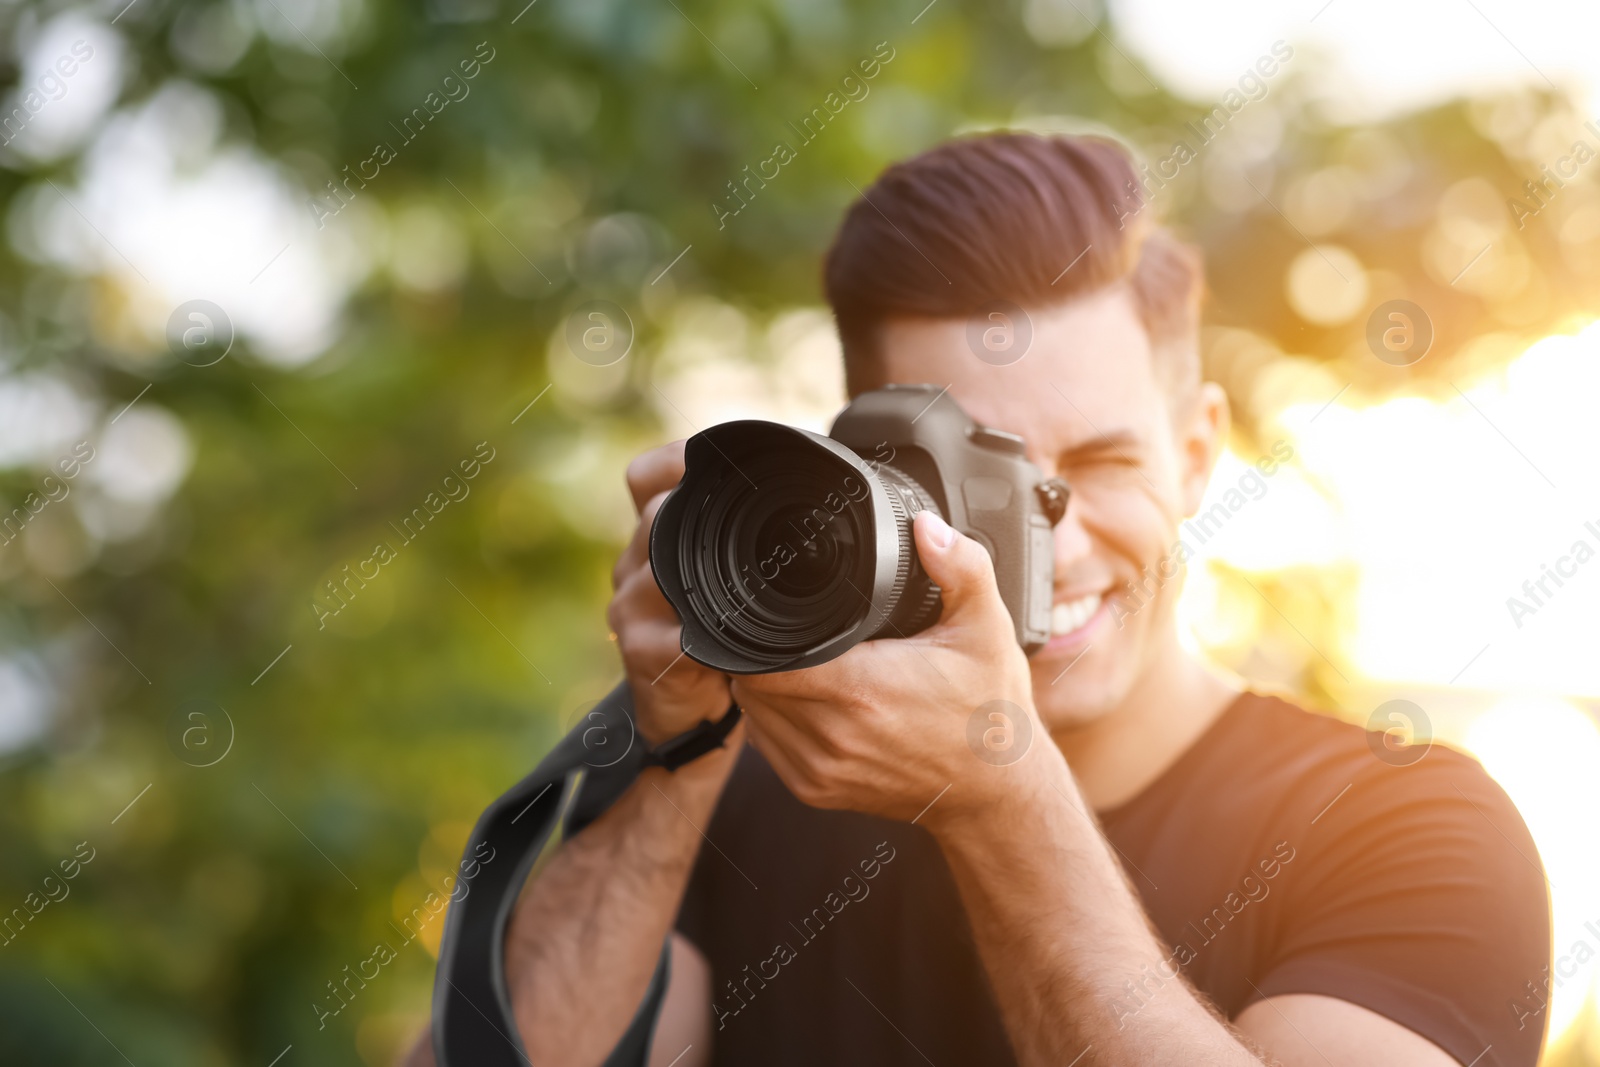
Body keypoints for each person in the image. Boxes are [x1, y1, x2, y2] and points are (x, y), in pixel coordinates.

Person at [407, 132, 1550, 1067]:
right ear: (860, 466)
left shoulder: (1412, 830)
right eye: (975, 482)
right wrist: (675, 751)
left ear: (1198, 451)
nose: (1041, 541)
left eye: (1095, 465)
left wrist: (997, 796)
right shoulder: (755, 799)